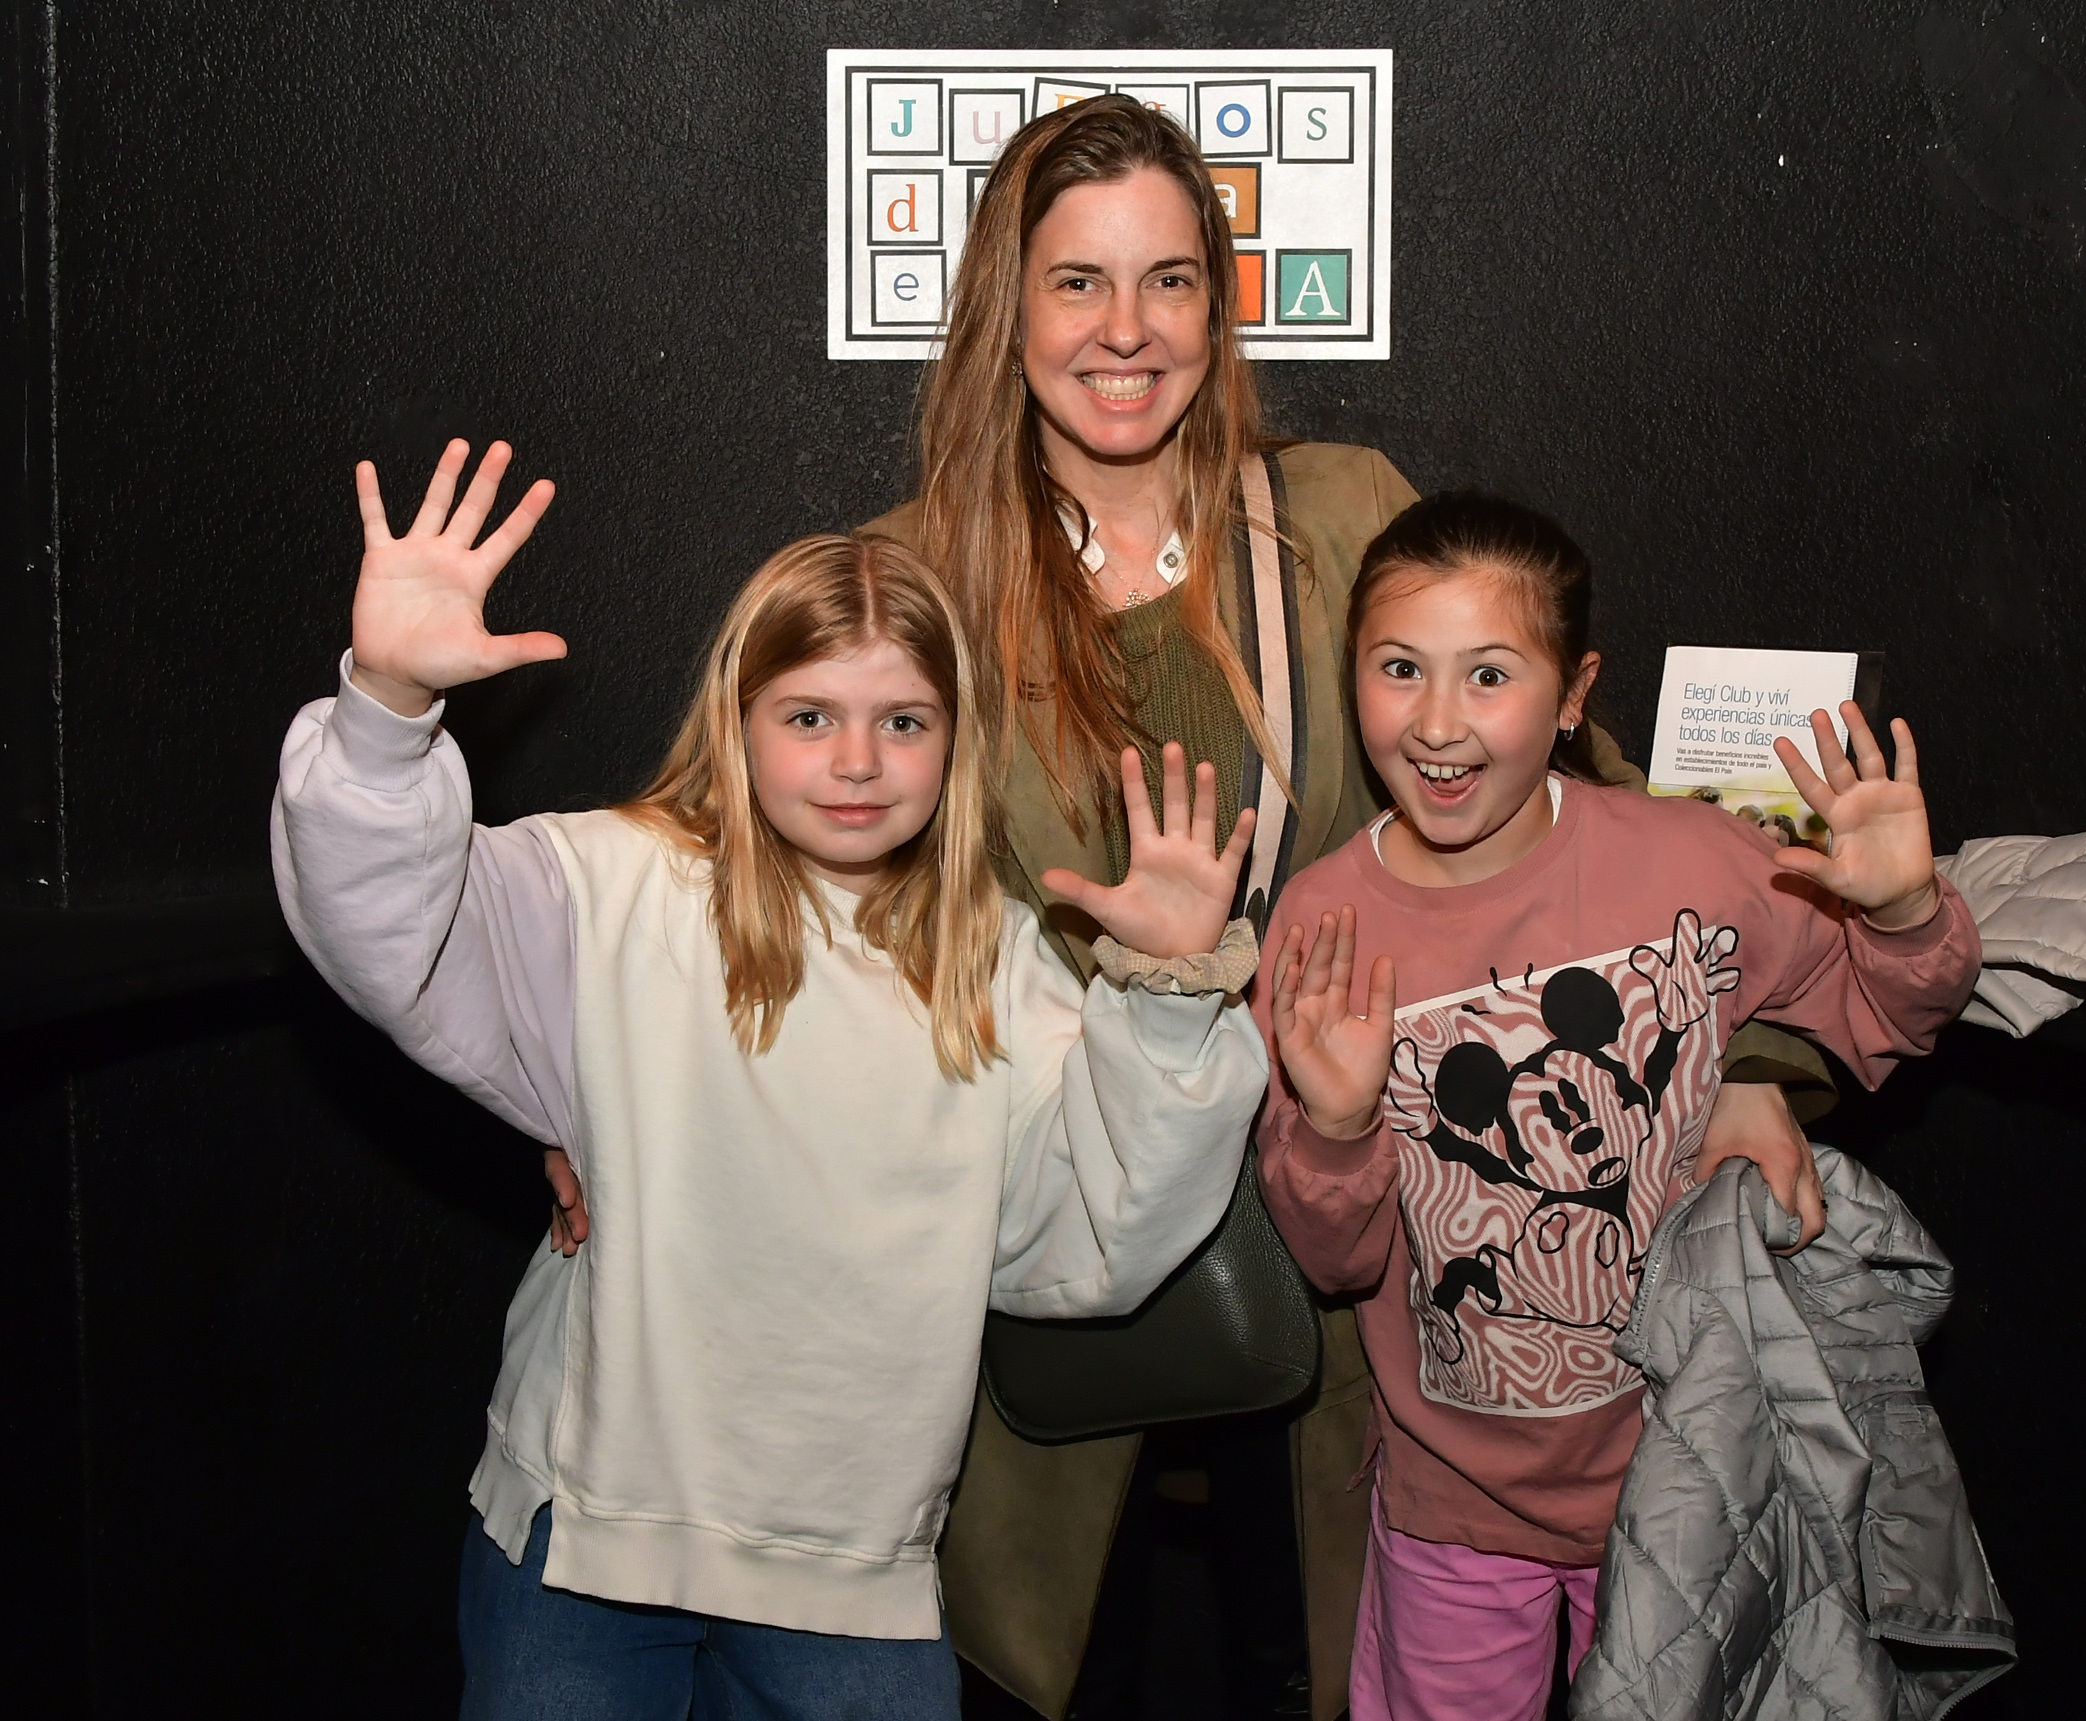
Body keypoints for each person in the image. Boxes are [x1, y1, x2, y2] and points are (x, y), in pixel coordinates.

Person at [538, 94, 1838, 1719]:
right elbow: (722, 843)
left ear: (1217, 306)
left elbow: (1602, 824)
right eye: (1077, 281)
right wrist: (580, 1078)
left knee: (1324, 1662)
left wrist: (1743, 1066)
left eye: (1168, 279)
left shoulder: (1341, 516)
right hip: (1041, 1260)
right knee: (1055, 1674)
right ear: (1005, 303)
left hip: (1360, 1253)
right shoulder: (910, 573)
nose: (1125, 329)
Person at [273, 440, 1273, 1719]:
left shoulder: (995, 963)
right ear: (737, 720)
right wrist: (386, 711)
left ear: (955, 739)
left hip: (849, 1570)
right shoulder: (615, 881)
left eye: (902, 721)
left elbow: (1095, 1232)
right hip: (586, 1538)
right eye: (809, 716)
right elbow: (386, 929)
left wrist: (1171, 997)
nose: (857, 760)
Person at [1252, 492, 1980, 1720]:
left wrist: (1906, 913)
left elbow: (1885, 1015)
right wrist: (1333, 1127)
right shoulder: (1324, 923)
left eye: (1489, 673)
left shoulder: (1691, 857)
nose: (1437, 721)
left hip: (1693, 1488)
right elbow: (1335, 1260)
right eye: (1398, 667)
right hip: (1451, 1505)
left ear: (1573, 693)